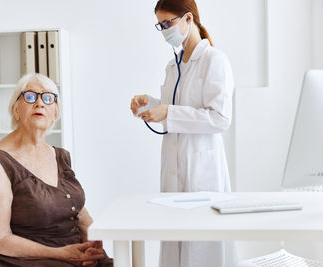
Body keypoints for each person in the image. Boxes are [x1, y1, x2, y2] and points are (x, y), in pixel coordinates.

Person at [130, 0, 237, 266]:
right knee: (175, 246)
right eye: (161, 25)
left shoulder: (214, 60)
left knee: (202, 251)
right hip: (174, 170)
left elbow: (220, 119)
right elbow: (175, 109)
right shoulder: (174, 65)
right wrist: (150, 103)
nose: (165, 30)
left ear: (188, 19)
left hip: (203, 171)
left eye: (168, 23)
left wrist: (167, 112)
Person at [0, 73, 113, 267]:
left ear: (55, 113)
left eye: (48, 98)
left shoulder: (60, 156)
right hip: (28, 261)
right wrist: (62, 254)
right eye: (30, 96)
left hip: (72, 254)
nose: (40, 103)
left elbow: (79, 212)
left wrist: (93, 245)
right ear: (16, 110)